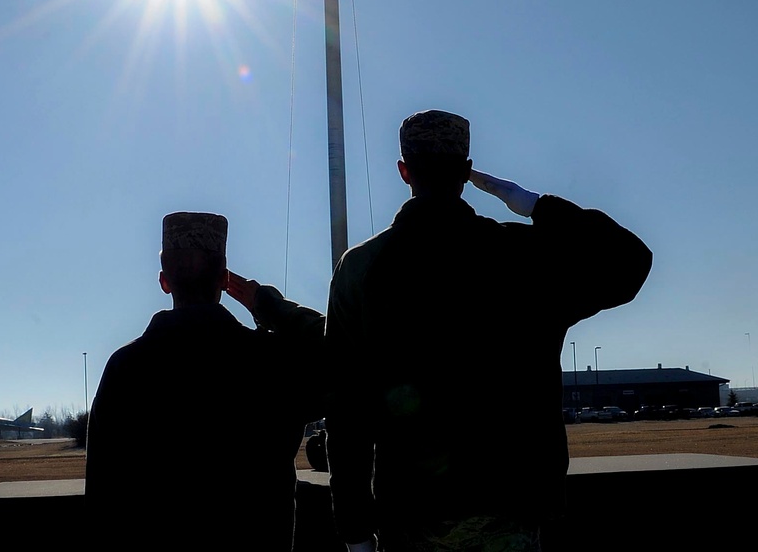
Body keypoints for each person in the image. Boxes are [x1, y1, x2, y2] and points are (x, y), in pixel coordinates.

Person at [325, 110, 652, 552]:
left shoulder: (361, 269)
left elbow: (347, 410)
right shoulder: (525, 258)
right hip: (509, 507)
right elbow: (630, 261)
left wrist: (355, 531)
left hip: (411, 512)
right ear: (466, 172)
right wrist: (537, 205)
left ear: (404, 171)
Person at [87, 211, 324, 549]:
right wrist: (271, 308)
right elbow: (348, 355)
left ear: (164, 282)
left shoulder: (126, 369)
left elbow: (102, 499)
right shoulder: (271, 361)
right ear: (224, 281)